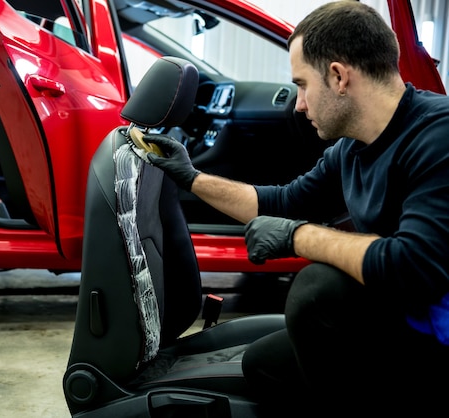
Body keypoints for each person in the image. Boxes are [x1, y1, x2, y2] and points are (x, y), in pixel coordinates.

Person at [141, 1, 449, 416]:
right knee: (265, 365)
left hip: (438, 336)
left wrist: (298, 237)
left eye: (303, 85)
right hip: (407, 317)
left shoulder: (438, 136)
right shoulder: (352, 150)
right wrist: (191, 177)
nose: (299, 104)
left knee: (317, 291)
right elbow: (281, 202)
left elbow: (413, 265)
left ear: (339, 77)